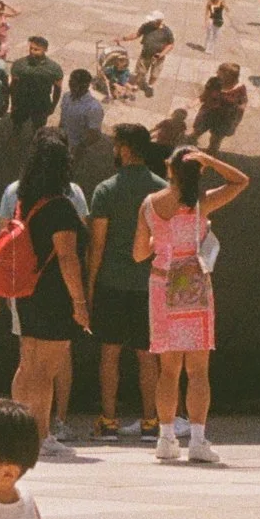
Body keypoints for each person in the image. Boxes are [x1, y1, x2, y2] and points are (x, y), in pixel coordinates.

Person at [132, 147, 249, 465]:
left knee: (168, 370)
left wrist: (160, 242)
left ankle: (166, 438)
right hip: (195, 285)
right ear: (197, 173)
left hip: (162, 283)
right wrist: (209, 160)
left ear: (168, 167)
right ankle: (198, 440)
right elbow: (240, 181)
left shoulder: (150, 205)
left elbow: (139, 253)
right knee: (198, 370)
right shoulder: (201, 203)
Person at [7, 132, 88, 459]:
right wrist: (80, 303)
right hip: (55, 294)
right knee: (47, 367)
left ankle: (15, 431)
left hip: (27, 290)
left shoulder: (25, 203)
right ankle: (39, 435)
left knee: (27, 364)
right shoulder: (61, 208)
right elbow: (67, 257)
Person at [85, 125, 165, 440]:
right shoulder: (163, 190)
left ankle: (108, 421)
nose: (113, 151)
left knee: (110, 354)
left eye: (116, 145)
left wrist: (90, 286)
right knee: (148, 356)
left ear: (126, 149)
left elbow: (97, 245)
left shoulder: (105, 190)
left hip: (112, 283)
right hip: (150, 284)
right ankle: (150, 422)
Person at [6, 36, 63, 141]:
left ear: (45, 50)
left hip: (41, 102)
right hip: (22, 101)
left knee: (38, 127)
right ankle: (15, 137)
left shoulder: (54, 68)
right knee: (17, 122)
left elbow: (58, 89)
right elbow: (13, 85)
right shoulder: (19, 64)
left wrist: (53, 105)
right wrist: (12, 103)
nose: (32, 51)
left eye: (36, 49)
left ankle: (35, 142)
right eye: (31, 48)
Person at [192, 63, 247, 151]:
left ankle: (209, 157)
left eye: (220, 72)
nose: (216, 72)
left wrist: (235, 123)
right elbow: (205, 95)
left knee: (215, 141)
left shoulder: (240, 89)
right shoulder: (213, 81)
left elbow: (242, 106)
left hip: (224, 120)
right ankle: (189, 145)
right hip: (207, 114)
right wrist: (191, 104)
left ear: (228, 76)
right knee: (196, 132)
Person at [57, 67, 107, 156]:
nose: (72, 87)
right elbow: (62, 119)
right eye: (70, 83)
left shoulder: (93, 107)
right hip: (62, 144)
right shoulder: (66, 97)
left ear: (85, 86)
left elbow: (94, 134)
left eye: (75, 85)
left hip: (78, 149)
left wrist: (79, 149)